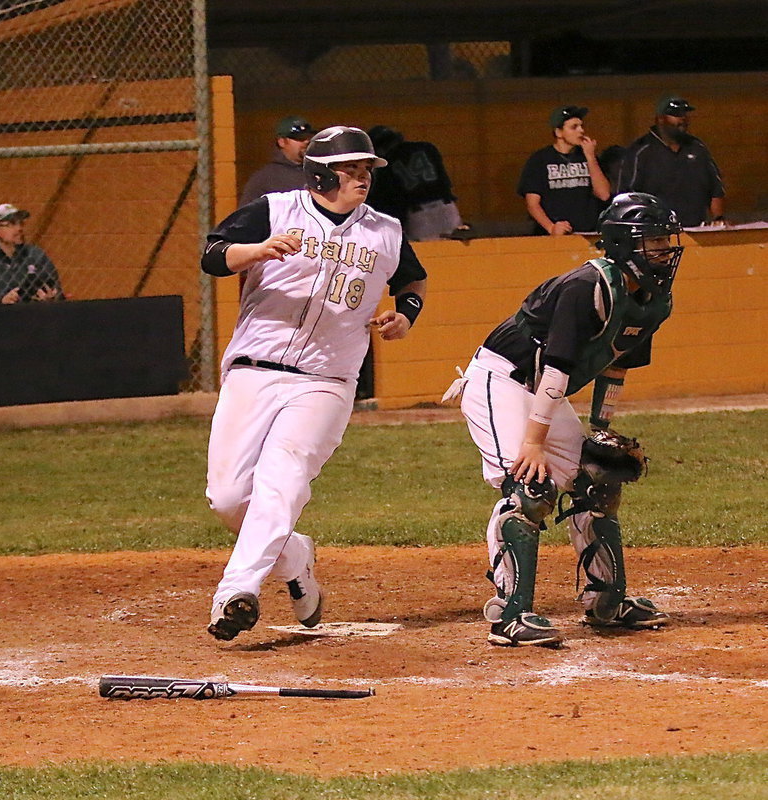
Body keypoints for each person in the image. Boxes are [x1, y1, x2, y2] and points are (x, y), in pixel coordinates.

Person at [200, 125, 428, 641]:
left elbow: (412, 280)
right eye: (352, 169)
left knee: (283, 479)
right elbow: (213, 255)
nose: (363, 178)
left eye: (367, 169)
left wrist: (406, 315)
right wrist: (256, 250)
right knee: (229, 497)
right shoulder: (274, 209)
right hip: (254, 371)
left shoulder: (385, 230)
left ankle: (236, 591)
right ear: (322, 173)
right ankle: (294, 556)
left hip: (327, 379)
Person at [443, 192, 680, 647]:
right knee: (530, 487)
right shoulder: (587, 287)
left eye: (664, 241)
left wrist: (602, 429)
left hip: (540, 387)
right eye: (653, 241)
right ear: (625, 246)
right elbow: (558, 367)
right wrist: (533, 442)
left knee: (597, 477)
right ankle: (511, 615)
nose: (664, 250)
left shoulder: (653, 300)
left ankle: (606, 601)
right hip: (502, 380)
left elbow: (616, 365)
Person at [617, 96, 725, 227]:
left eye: (685, 114)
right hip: (655, 232)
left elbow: (715, 189)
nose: (683, 118)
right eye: (676, 114)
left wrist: (718, 218)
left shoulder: (697, 147)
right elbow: (627, 196)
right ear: (660, 119)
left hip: (696, 229)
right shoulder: (640, 151)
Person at [517, 105, 611, 235]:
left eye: (581, 126)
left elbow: (604, 194)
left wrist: (590, 157)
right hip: (556, 234)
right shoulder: (540, 160)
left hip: (588, 232)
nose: (581, 131)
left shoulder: (589, 157)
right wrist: (551, 227)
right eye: (574, 127)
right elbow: (532, 203)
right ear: (559, 132)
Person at [367, 125, 465, 241]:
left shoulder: (386, 165)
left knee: (427, 256)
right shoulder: (427, 148)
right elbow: (444, 181)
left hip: (419, 215)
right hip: (447, 207)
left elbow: (389, 200)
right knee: (456, 253)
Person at [0, 203, 64, 304]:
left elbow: (56, 288)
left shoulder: (36, 255)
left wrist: (51, 297)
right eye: (12, 224)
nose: (19, 228)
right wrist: (1, 302)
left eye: (20, 223)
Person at [238, 115, 315, 206]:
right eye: (299, 138)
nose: (306, 141)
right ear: (282, 142)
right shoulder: (264, 179)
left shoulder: (319, 171)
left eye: (309, 137)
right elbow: (247, 217)